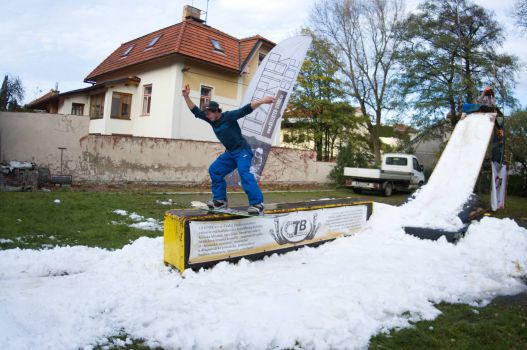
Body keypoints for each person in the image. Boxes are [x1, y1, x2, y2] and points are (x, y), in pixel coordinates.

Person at [182, 84, 275, 215]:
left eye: (209, 114)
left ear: (216, 111)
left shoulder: (229, 116)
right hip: (230, 153)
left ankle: (257, 204)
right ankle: (220, 201)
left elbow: (246, 109)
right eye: (206, 115)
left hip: (242, 151)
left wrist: (263, 100)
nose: (207, 117)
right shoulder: (211, 120)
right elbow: (195, 110)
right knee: (215, 170)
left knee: (244, 172)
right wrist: (186, 96)